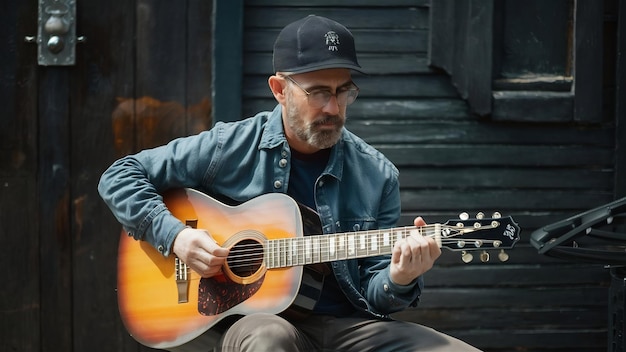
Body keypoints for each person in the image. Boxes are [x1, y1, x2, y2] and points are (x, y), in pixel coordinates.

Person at [99, 15, 481, 352]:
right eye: (318, 92)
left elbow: (375, 296)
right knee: (270, 340)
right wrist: (177, 237)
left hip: (346, 326)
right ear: (280, 90)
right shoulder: (229, 145)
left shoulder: (378, 175)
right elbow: (120, 175)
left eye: (343, 91)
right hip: (255, 323)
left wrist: (401, 276)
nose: (333, 108)